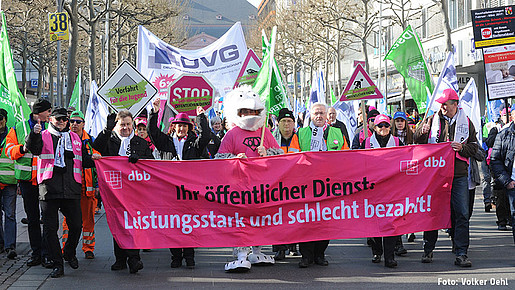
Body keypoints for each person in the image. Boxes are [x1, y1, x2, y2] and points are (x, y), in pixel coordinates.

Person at [215, 85, 283, 272]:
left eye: (253, 111)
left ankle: (257, 250)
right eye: (245, 111)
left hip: (262, 187)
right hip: (239, 187)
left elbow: (280, 156)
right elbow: (218, 159)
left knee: (260, 218)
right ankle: (241, 254)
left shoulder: (265, 133)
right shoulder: (231, 134)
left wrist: (267, 152)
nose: (249, 113)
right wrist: (234, 159)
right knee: (241, 220)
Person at [26, 107, 98, 278]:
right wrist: (34, 134)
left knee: (76, 225)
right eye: (57, 119)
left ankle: (69, 253)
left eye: (64, 119)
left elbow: (83, 160)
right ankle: (57, 264)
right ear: (50, 119)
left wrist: (95, 160)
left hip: (71, 188)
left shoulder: (74, 137)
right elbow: (33, 149)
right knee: (51, 229)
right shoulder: (42, 135)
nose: (61, 122)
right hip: (49, 188)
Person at [415, 88, 478, 267]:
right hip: (435, 174)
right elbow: (417, 142)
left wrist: (462, 148)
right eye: (441, 104)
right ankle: (428, 249)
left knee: (462, 214)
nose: (442, 107)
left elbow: (475, 147)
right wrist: (422, 130)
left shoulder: (466, 121)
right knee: (433, 212)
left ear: (455, 105)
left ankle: (461, 253)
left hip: (458, 175)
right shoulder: (432, 119)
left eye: (445, 104)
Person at [148, 98, 211, 268]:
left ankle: (189, 257)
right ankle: (176, 257)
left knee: (190, 224)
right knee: (173, 224)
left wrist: (201, 118)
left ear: (189, 128)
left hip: (190, 191)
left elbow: (206, 136)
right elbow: (152, 132)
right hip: (170, 191)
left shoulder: (194, 144)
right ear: (174, 126)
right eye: (179, 125)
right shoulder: (166, 142)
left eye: (184, 125)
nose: (181, 128)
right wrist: (154, 113)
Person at [93, 110, 153, 274]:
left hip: (135, 192)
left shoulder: (141, 143)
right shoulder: (109, 140)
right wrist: (107, 129)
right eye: (122, 124)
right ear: (116, 125)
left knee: (133, 224)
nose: (126, 128)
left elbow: (152, 164)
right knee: (118, 222)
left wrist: (139, 161)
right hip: (114, 190)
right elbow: (96, 147)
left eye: (128, 124)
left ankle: (134, 259)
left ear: (132, 124)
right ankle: (120, 259)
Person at [296, 102, 348, 268]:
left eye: (322, 113)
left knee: (325, 222)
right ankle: (306, 255)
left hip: (329, 186)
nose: (319, 116)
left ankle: (320, 253)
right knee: (305, 222)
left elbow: (347, 157)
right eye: (316, 113)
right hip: (306, 186)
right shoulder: (301, 133)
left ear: (327, 115)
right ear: (310, 115)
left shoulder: (337, 133)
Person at [5, 98, 52, 268]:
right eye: (48, 111)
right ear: (39, 112)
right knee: (32, 219)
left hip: (46, 180)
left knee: (47, 219)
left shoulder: (51, 126)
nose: (50, 114)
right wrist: (23, 148)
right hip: (27, 182)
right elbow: (9, 150)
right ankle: (37, 253)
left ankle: (48, 254)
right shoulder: (19, 127)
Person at [360, 114, 403, 268]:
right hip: (373, 187)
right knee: (375, 221)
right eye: (380, 126)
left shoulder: (397, 142)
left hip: (392, 188)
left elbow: (406, 160)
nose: (383, 128)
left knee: (390, 222)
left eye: (386, 125)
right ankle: (377, 251)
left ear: (390, 127)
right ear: (374, 127)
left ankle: (389, 257)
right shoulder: (366, 142)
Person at [60, 111, 100, 260]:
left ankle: (88, 248)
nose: (74, 124)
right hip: (70, 188)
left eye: (78, 121)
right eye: (72, 121)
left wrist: (97, 185)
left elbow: (97, 164)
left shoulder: (90, 141)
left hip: (87, 188)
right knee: (68, 221)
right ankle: (66, 248)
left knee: (88, 220)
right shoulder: (63, 139)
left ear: (84, 124)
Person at [271, 108, 300, 259]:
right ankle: (279, 248)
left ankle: (294, 245)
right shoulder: (271, 139)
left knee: (295, 217)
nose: (287, 124)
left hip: (296, 184)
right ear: (278, 123)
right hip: (277, 185)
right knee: (278, 218)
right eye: (283, 121)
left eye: (289, 121)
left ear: (294, 123)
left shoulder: (300, 137)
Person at [490, 109, 515, 244]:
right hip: (512, 183)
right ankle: (502, 220)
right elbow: (495, 160)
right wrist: (506, 181)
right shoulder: (503, 135)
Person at [0, 109, 17, 259]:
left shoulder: (11, 135)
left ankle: (10, 245)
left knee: (10, 215)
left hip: (10, 182)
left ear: (5, 119)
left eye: (1, 118)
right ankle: (1, 243)